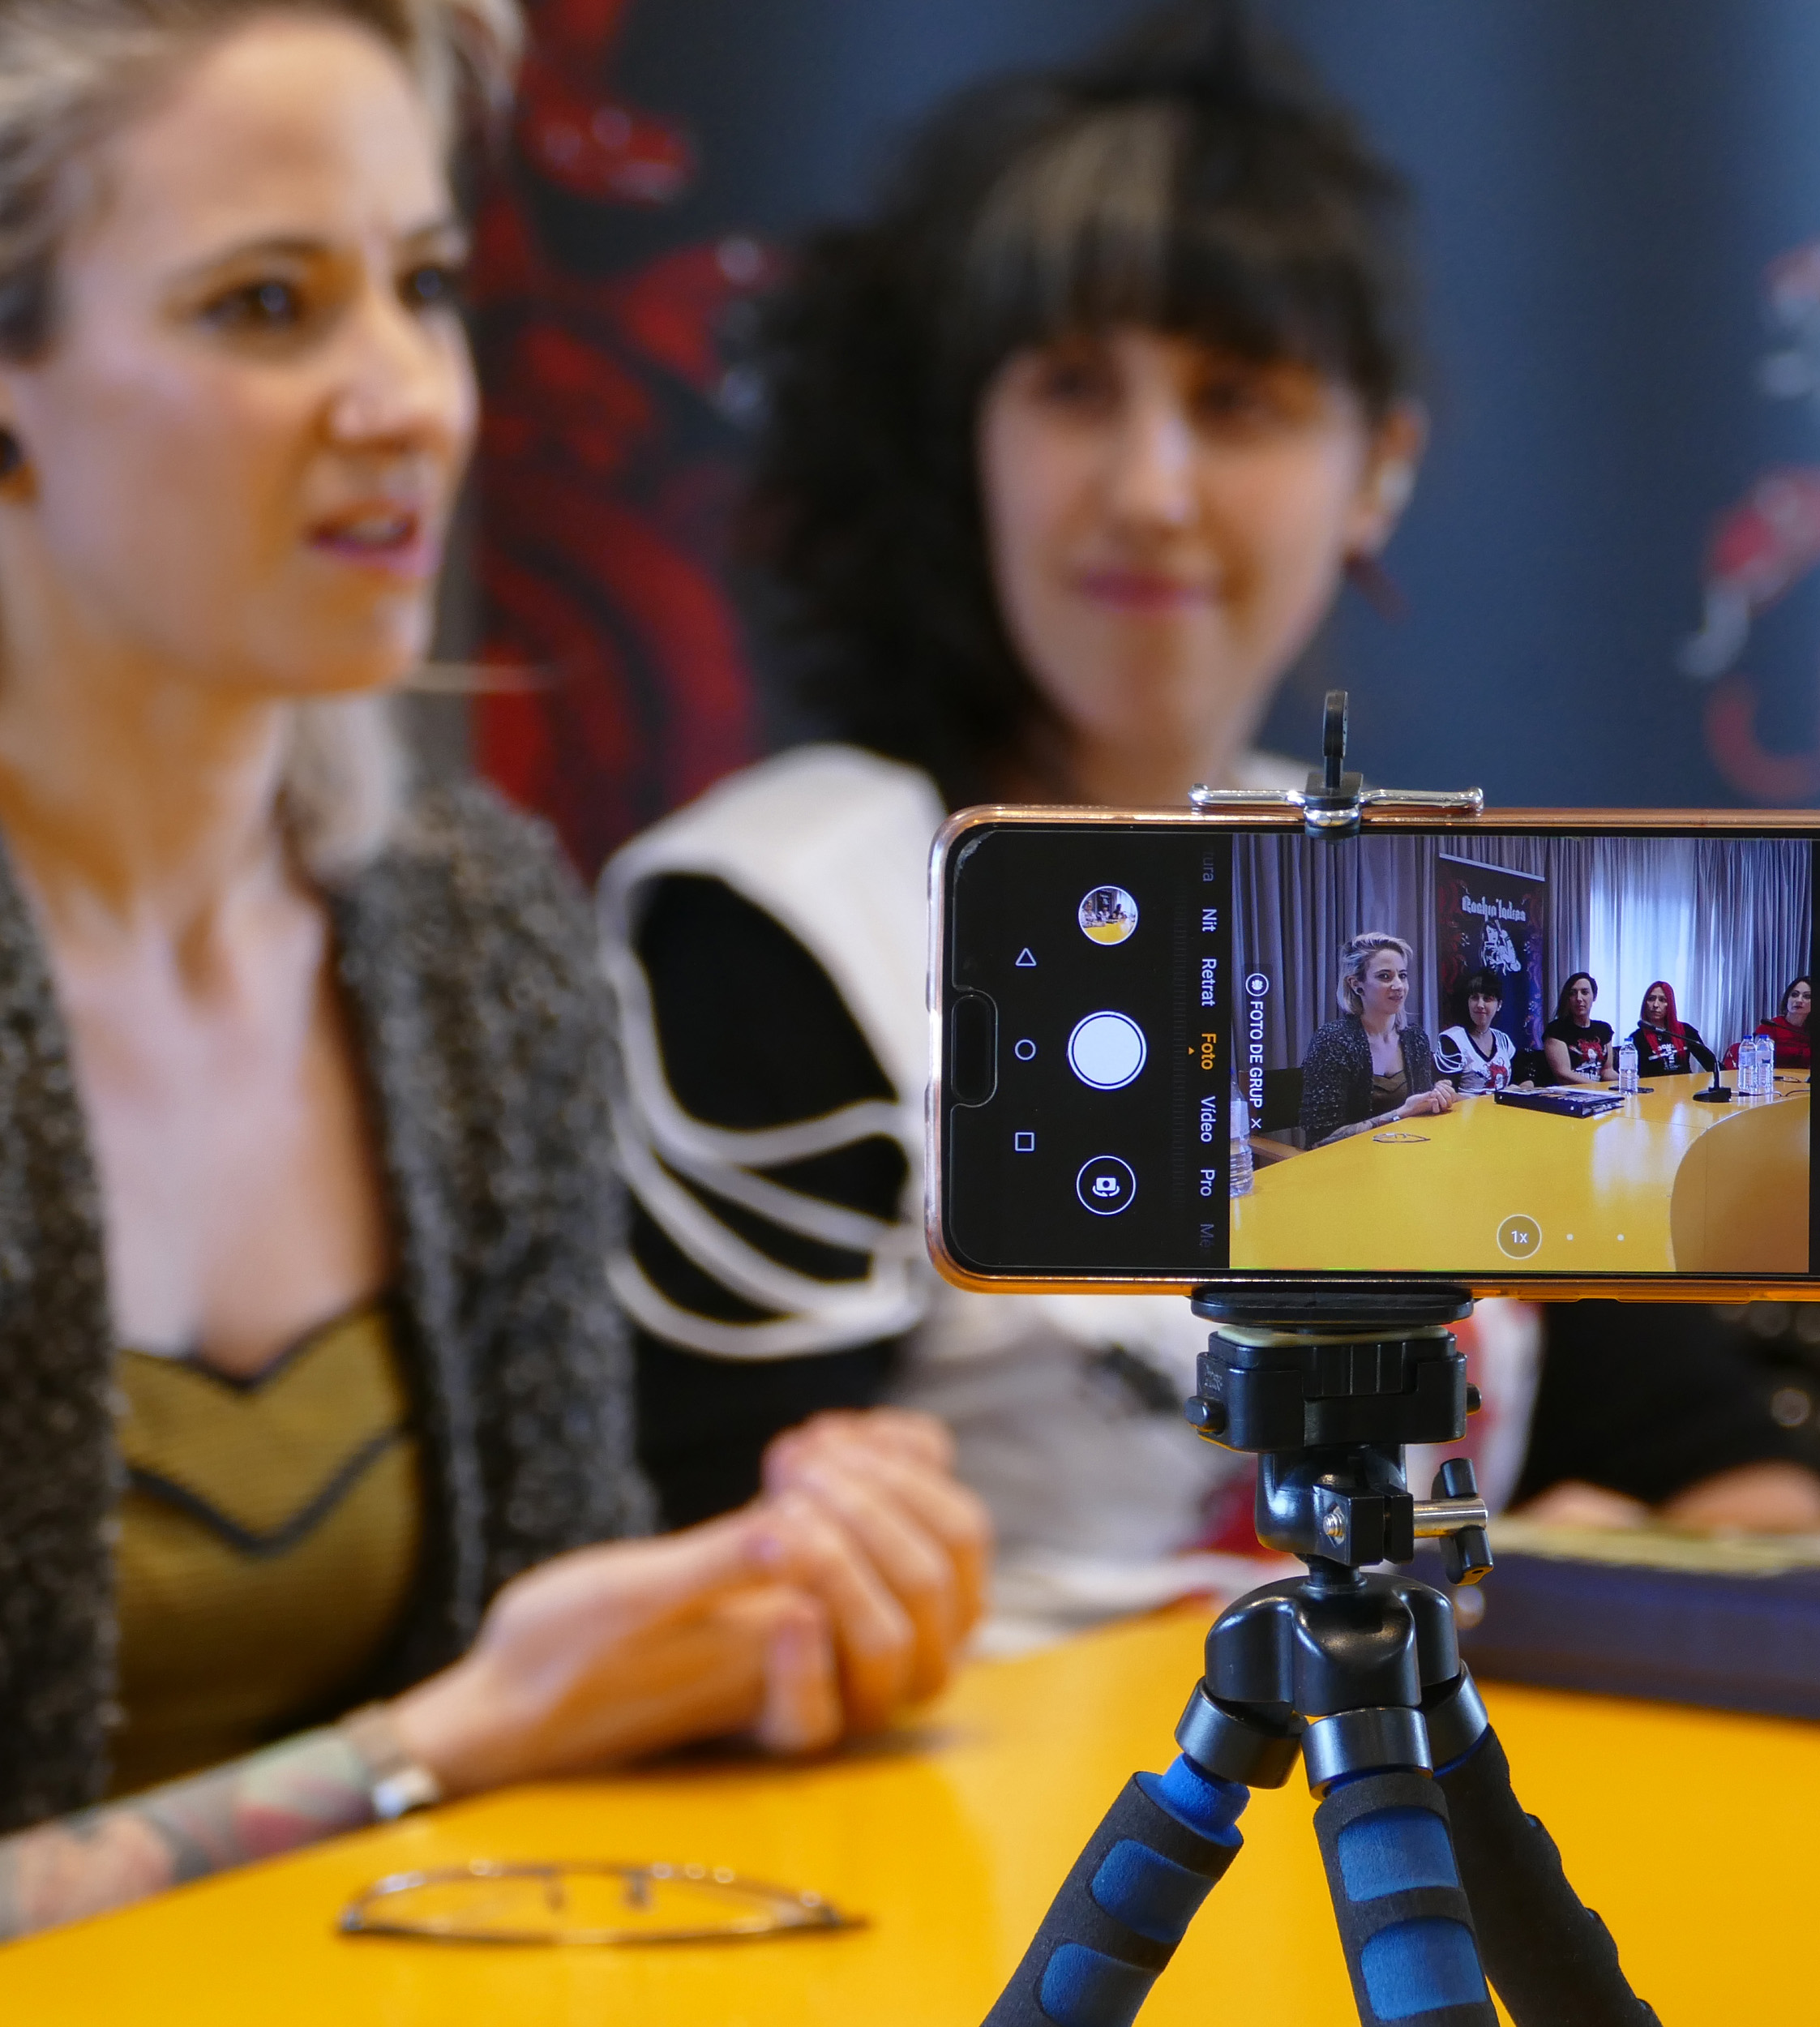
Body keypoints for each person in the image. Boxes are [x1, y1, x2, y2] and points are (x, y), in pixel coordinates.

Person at [0, 0, 983, 2004]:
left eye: (423, 286)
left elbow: (552, 1701)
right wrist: (430, 1746)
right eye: (265, 306)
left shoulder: (472, 930)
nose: (408, 398)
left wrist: (768, 1616)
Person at [600, 7, 1437, 1550]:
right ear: (964, 438)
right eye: (1072, 386)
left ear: (1378, 467)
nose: (1150, 491)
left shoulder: (1401, 881)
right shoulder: (783, 923)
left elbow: (1714, 1468)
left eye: (1236, 399)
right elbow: (711, 1581)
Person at [1301, 932, 1461, 1142]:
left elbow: (1420, 1113)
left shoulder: (1415, 1038)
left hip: (1409, 1152)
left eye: (1402, 975)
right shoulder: (1333, 1041)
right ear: (1356, 984)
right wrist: (1400, 1113)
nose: (1398, 986)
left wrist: (1435, 1096)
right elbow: (1320, 1139)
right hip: (1349, 1158)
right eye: (1385, 976)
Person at [1435, 966, 1518, 1092]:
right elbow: (1447, 1094)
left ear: (1499, 1005)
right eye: (1474, 998)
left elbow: (1517, 1082)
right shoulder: (1452, 1040)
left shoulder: (1503, 1040)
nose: (1480, 1005)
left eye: (1487, 999)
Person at [1540, 970, 1615, 1084]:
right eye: (1573, 993)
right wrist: (1597, 1088)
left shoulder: (1604, 1029)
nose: (1579, 998)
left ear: (1594, 996)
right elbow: (1563, 1074)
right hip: (1570, 1091)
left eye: (1585, 992)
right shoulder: (1556, 1030)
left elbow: (1607, 1071)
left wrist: (1629, 1080)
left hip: (1600, 1090)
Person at [1626, 979, 1711, 1078]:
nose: (1655, 1005)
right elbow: (1629, 1074)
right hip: (1652, 1088)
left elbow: (1710, 1062)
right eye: (1651, 999)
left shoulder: (1685, 1030)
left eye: (1662, 1000)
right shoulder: (1637, 1038)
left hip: (1684, 1086)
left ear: (1670, 1004)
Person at [1733, 976, 1816, 1070]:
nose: (1799, 1000)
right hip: (1772, 1077)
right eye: (1794, 995)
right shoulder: (1770, 1027)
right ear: (1787, 999)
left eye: (1807, 996)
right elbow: (1760, 1060)